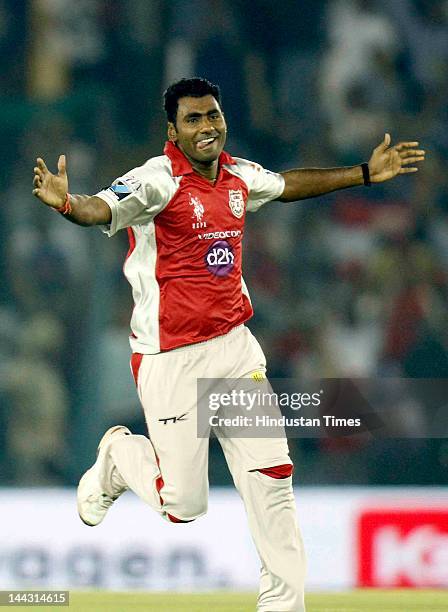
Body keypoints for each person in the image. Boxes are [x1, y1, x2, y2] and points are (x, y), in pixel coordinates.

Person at [32, 77, 425, 612]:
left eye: (212, 116)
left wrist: (361, 174)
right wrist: (67, 204)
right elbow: (102, 206)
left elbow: (287, 184)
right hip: (171, 358)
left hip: (235, 350)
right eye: (193, 119)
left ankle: (284, 604)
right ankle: (119, 456)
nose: (207, 127)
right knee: (183, 506)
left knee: (272, 477)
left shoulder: (239, 176)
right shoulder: (155, 181)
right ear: (173, 130)